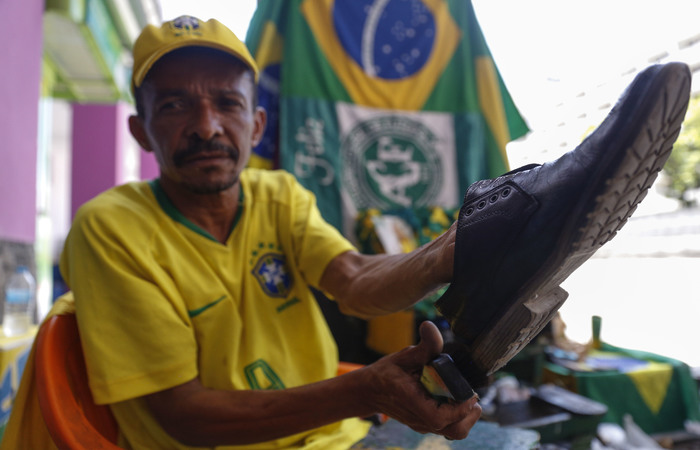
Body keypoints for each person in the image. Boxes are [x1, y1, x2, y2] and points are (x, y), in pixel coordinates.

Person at [2, 14, 690, 450]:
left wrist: (453, 249)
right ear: (139, 130)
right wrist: (367, 391)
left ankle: (493, 234)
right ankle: (512, 228)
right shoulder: (110, 229)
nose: (206, 125)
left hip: (333, 435)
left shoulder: (278, 195)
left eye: (226, 103)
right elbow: (187, 418)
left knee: (511, 445)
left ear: (257, 125)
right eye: (175, 104)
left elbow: (358, 284)